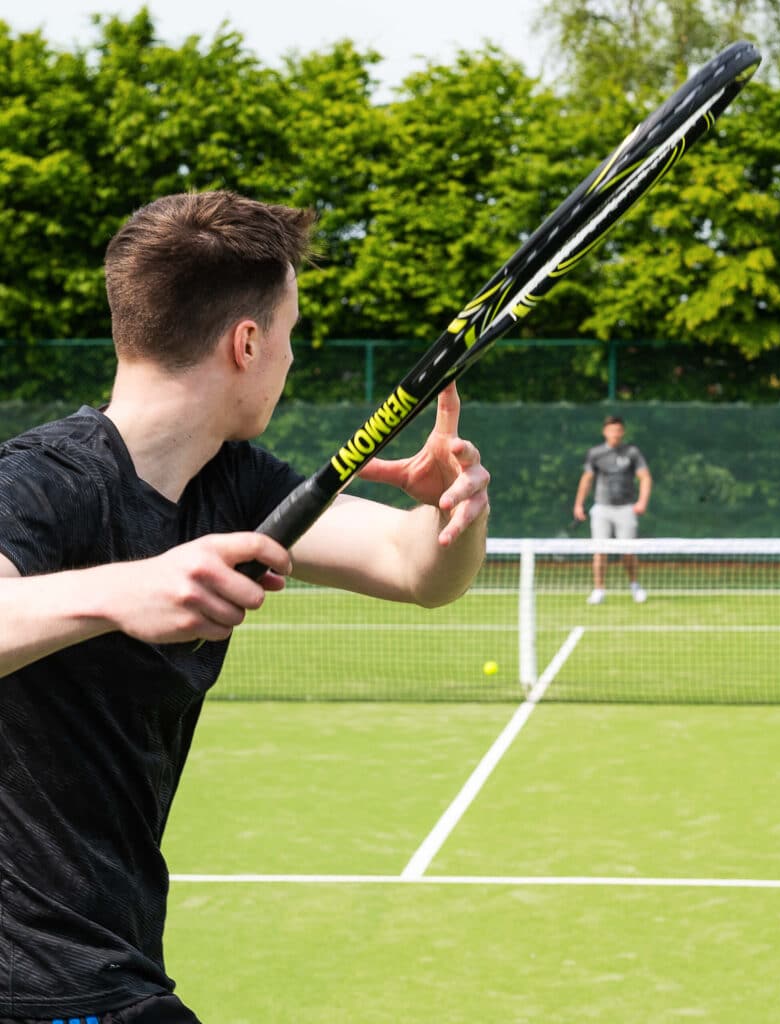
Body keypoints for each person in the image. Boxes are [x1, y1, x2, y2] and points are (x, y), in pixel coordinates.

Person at [0, 191, 490, 1022]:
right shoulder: (46, 477)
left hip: (106, 955)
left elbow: (416, 572)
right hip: (37, 983)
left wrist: (454, 511)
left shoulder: (236, 484)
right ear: (249, 341)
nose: (290, 360)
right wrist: (129, 589)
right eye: (291, 336)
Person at [573, 414, 652, 604]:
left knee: (628, 551)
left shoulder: (632, 452)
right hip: (602, 508)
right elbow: (587, 479)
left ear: (622, 432)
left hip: (626, 508)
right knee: (600, 551)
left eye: (618, 430)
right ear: (605, 432)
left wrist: (642, 502)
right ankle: (599, 590)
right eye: (611, 430)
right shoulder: (595, 453)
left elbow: (645, 477)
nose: (615, 433)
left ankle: (635, 586)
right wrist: (578, 504)